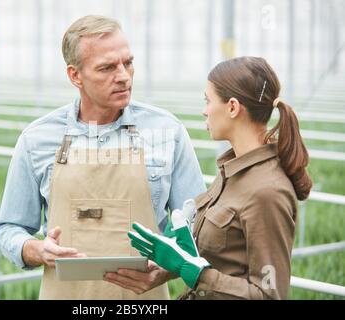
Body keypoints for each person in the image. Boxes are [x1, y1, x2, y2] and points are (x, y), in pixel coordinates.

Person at [0, 15, 206, 300]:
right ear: (75, 76)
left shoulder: (167, 132)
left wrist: (167, 270)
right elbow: (9, 228)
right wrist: (36, 250)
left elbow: (200, 227)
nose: (123, 76)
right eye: (106, 68)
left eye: (128, 63)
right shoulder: (37, 139)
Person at [121, 56, 313, 299]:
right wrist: (177, 258)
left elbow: (268, 294)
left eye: (208, 100)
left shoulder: (267, 191)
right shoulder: (232, 172)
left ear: (232, 107)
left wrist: (196, 273)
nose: (204, 110)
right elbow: (226, 258)